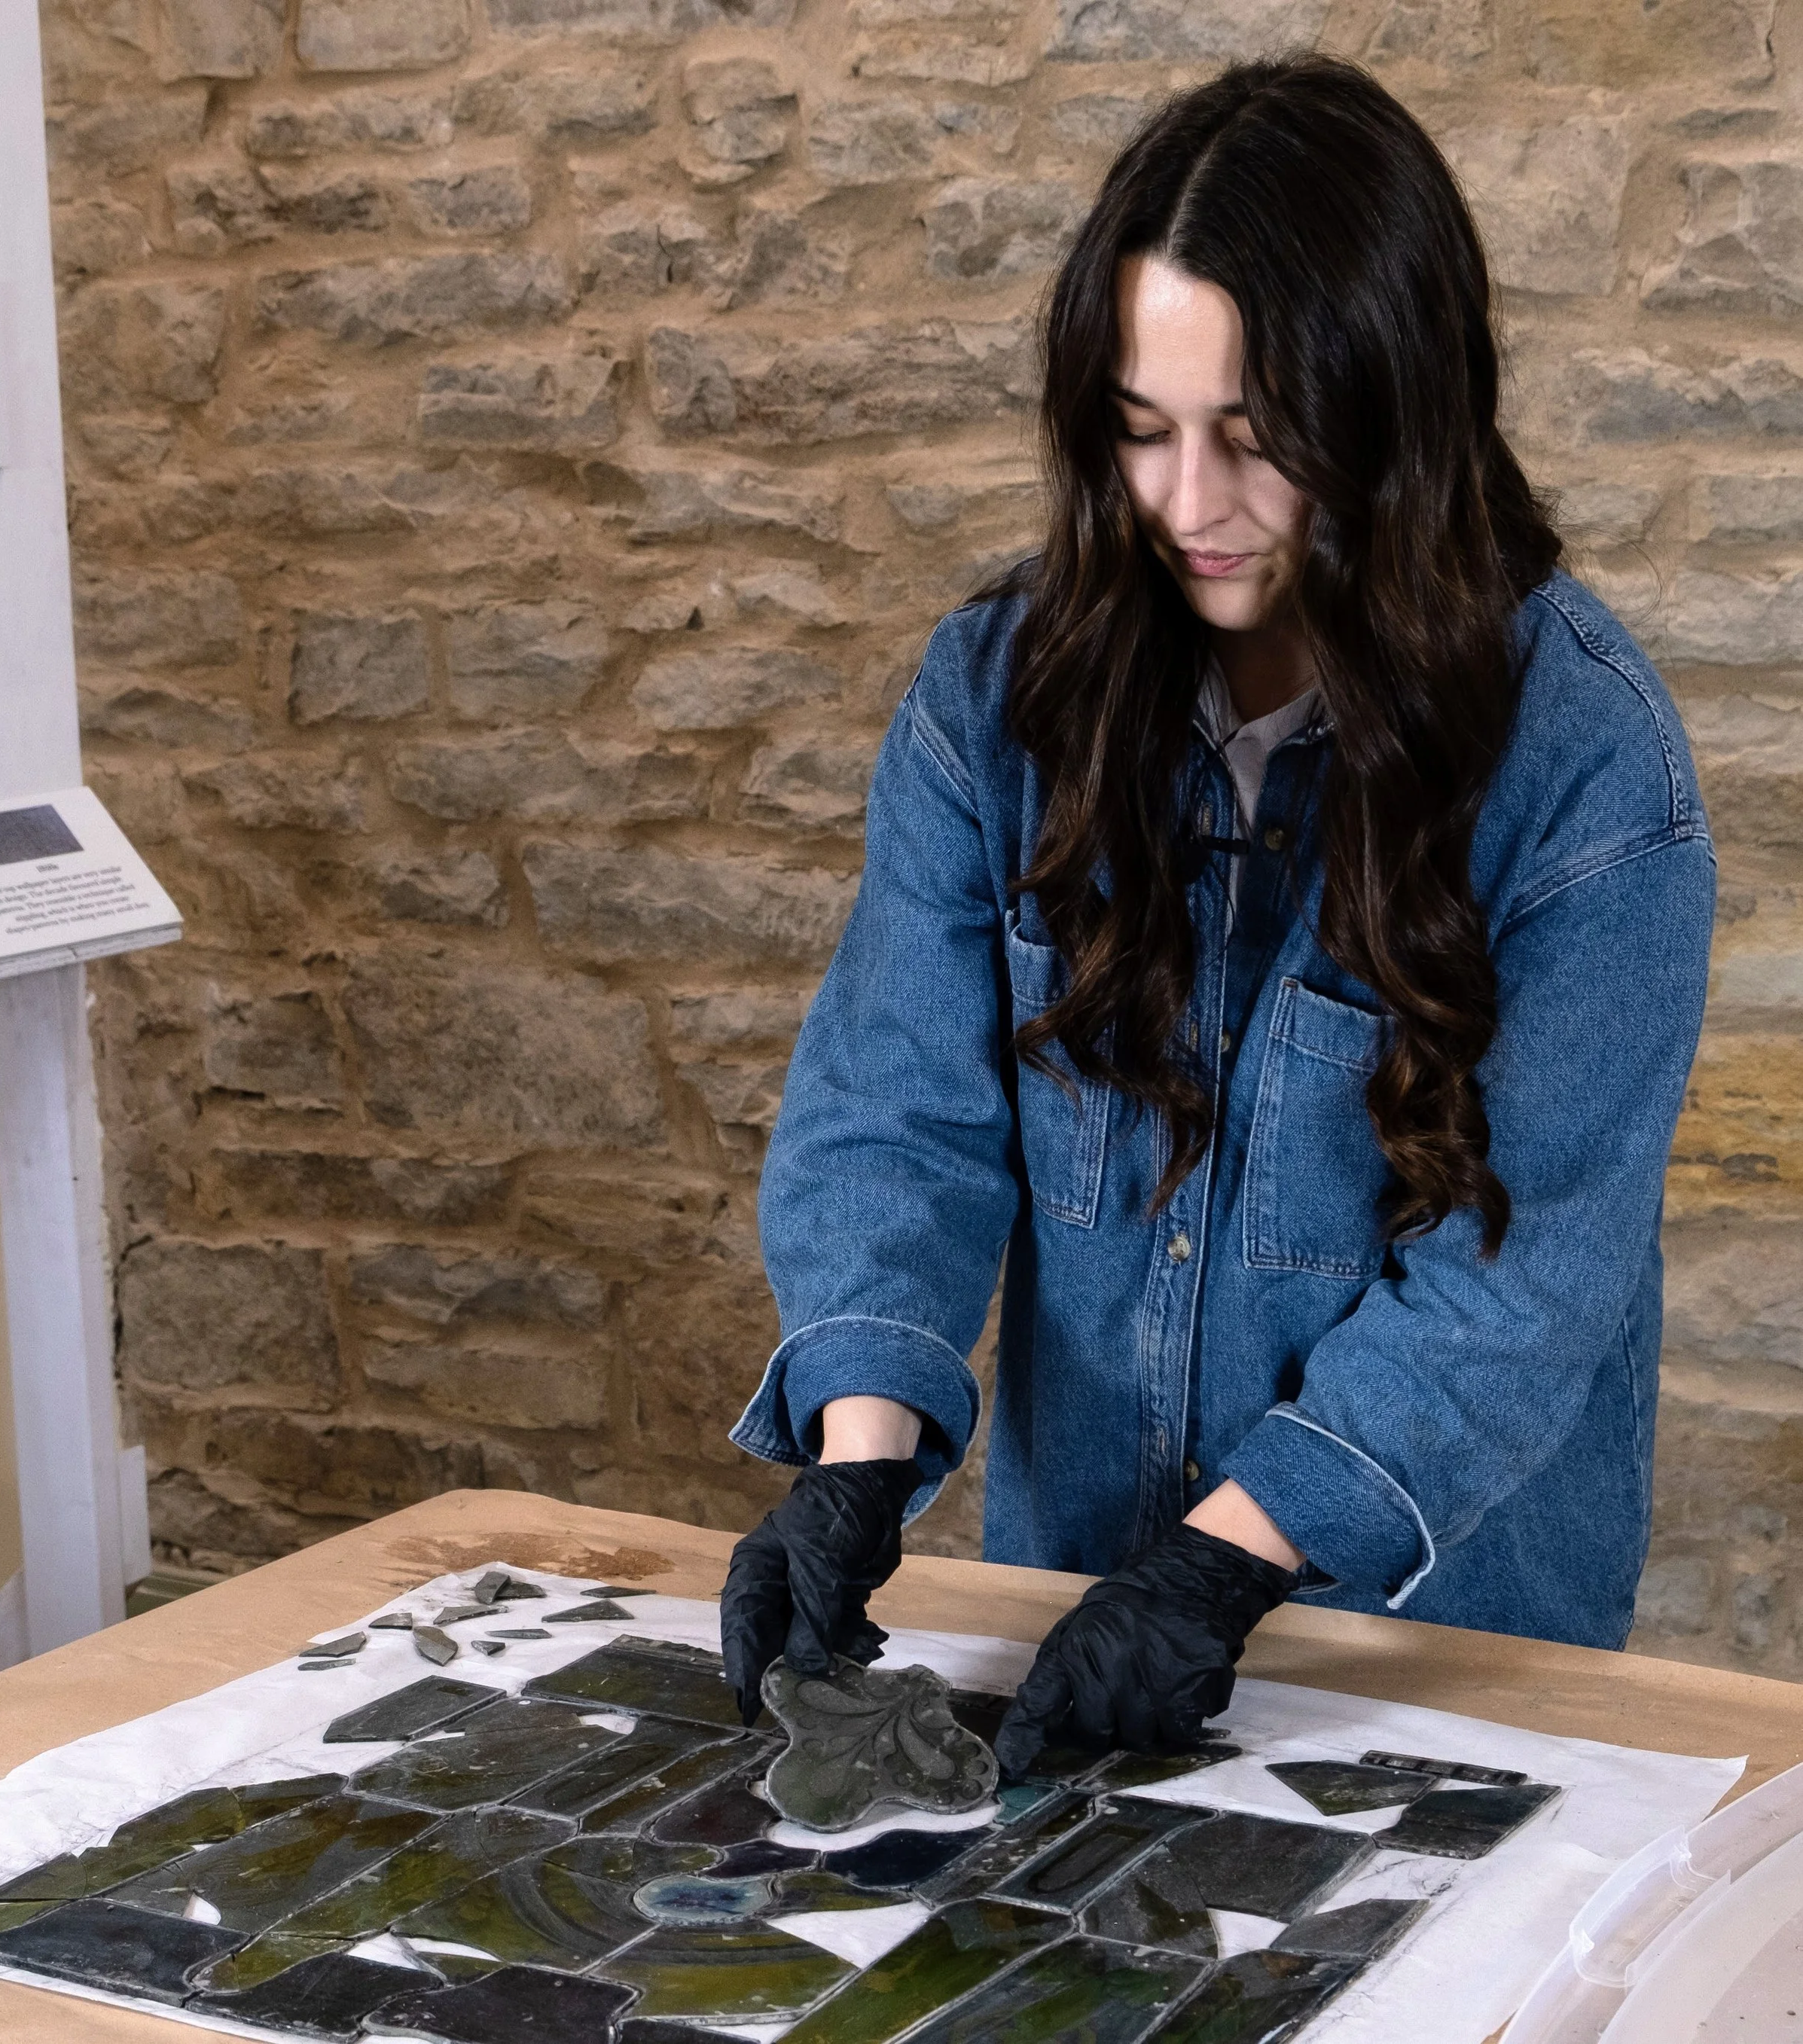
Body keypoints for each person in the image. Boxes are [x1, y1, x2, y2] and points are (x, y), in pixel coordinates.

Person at [716, 53, 1714, 1774]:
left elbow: (1516, 1277)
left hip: (1433, 1658)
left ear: (1393, 411)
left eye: (1255, 444)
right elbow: (896, 1108)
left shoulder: (1588, 770)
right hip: (1073, 1597)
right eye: (1139, 431)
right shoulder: (993, 698)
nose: (1187, 506)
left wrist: (1219, 1566)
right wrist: (859, 1455)